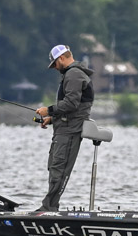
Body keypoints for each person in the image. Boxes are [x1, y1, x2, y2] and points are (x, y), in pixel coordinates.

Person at [34, 44, 94, 211]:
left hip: (70, 131)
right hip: (64, 129)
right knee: (54, 167)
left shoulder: (74, 74)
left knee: (59, 169)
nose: (54, 68)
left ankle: (49, 208)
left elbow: (71, 103)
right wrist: (52, 119)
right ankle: (50, 206)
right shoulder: (72, 73)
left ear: (61, 58)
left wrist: (48, 110)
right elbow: (73, 107)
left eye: (54, 64)